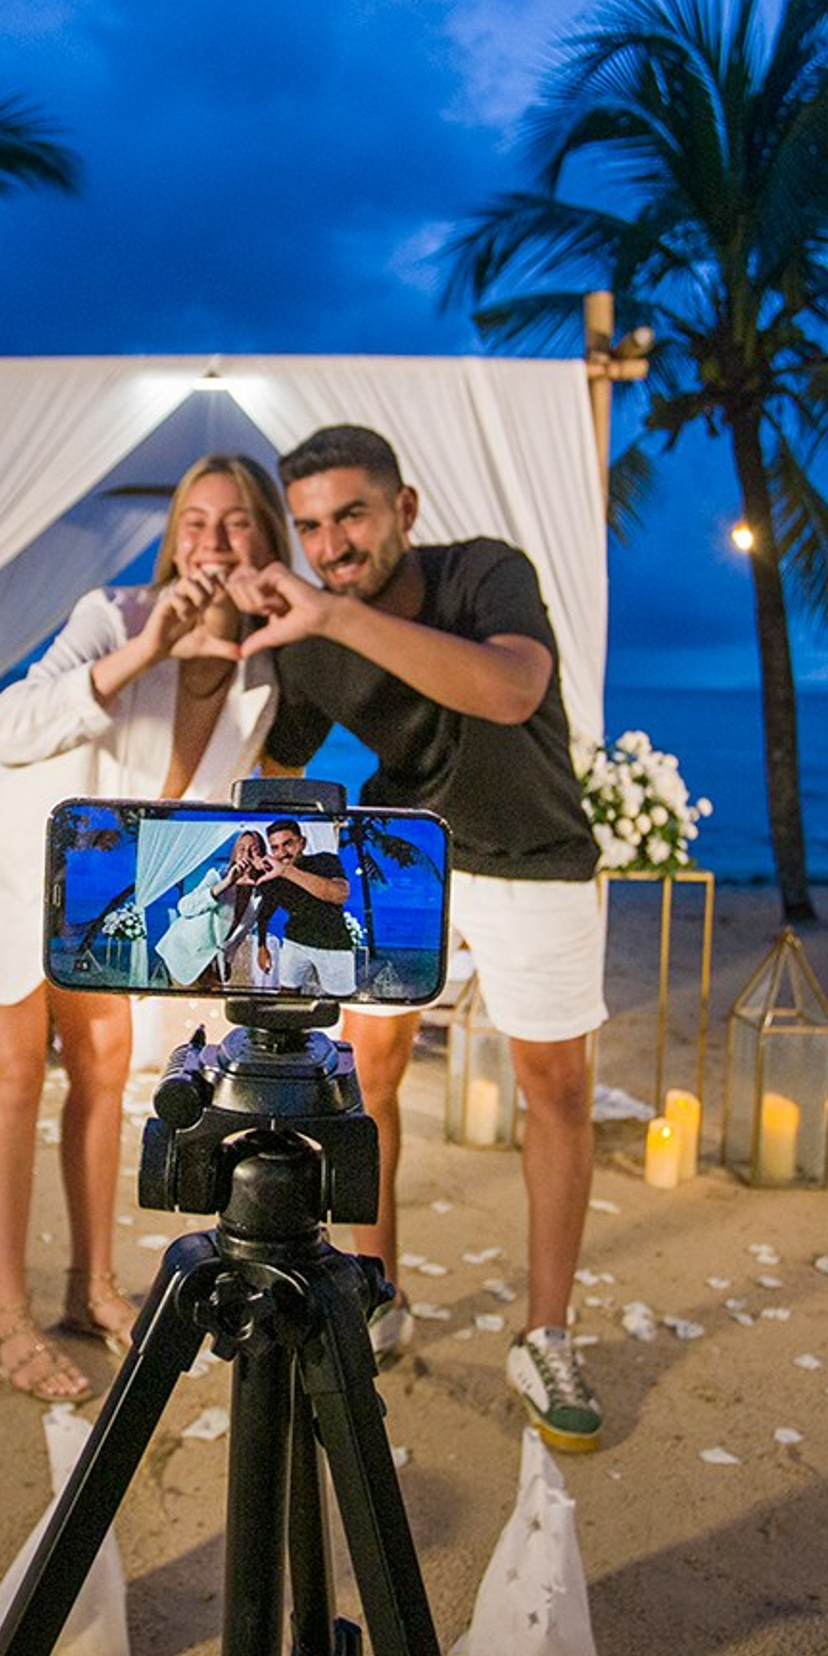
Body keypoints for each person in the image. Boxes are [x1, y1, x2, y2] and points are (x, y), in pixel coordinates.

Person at [226, 424, 608, 1452]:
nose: (330, 542)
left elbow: (510, 689)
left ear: (405, 508)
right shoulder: (306, 628)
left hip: (532, 849)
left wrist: (338, 618)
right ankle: (379, 1291)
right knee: (370, 1077)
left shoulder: (485, 573)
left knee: (558, 1091)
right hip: (406, 861)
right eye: (308, 525)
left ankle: (547, 1331)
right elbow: (281, 772)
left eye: (350, 513)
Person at [0, 454, 291, 1401]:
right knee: (14, 1076)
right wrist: (145, 651)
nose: (213, 541)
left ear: (267, 543)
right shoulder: (113, 613)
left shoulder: (267, 669)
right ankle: (9, 1317)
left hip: (99, 894)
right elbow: (5, 727)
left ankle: (90, 1287)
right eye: (196, 522)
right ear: (172, 539)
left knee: (107, 1073)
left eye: (237, 524)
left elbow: (212, 813)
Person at [253, 816, 357, 997]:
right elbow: (265, 912)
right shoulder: (273, 876)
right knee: (286, 994)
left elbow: (340, 894)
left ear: (302, 843)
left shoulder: (325, 860)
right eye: (275, 847)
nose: (282, 852)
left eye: (288, 844)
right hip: (295, 941)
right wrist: (262, 946)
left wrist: (287, 871)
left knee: (340, 1000)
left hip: (333, 945)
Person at [156, 829, 269, 991]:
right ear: (235, 854)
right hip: (185, 953)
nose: (247, 854)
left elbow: (241, 931)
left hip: (213, 962)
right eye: (242, 849)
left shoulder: (260, 893)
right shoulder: (217, 876)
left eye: (254, 849)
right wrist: (227, 883)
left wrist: (228, 960)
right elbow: (185, 908)